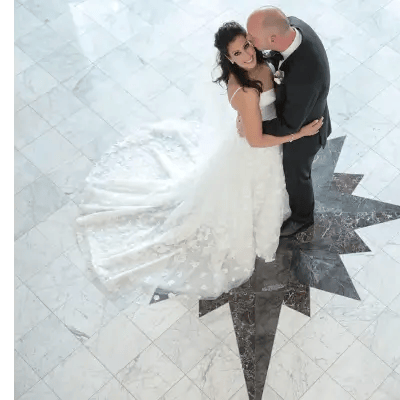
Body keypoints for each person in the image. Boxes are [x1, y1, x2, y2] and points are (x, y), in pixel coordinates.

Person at [75, 21, 323, 300]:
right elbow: (255, 140)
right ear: (228, 59)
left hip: (268, 136)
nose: (246, 55)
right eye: (237, 54)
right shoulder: (247, 91)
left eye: (246, 46)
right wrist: (298, 134)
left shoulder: (264, 61)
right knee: (250, 193)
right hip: (259, 149)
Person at [244, 7, 332, 237]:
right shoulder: (292, 26)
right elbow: (277, 57)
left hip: (307, 128)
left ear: (273, 39)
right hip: (302, 104)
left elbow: (289, 125)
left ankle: (303, 218)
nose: (248, 41)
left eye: (252, 38)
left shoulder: (305, 74)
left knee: (296, 172)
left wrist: (254, 128)